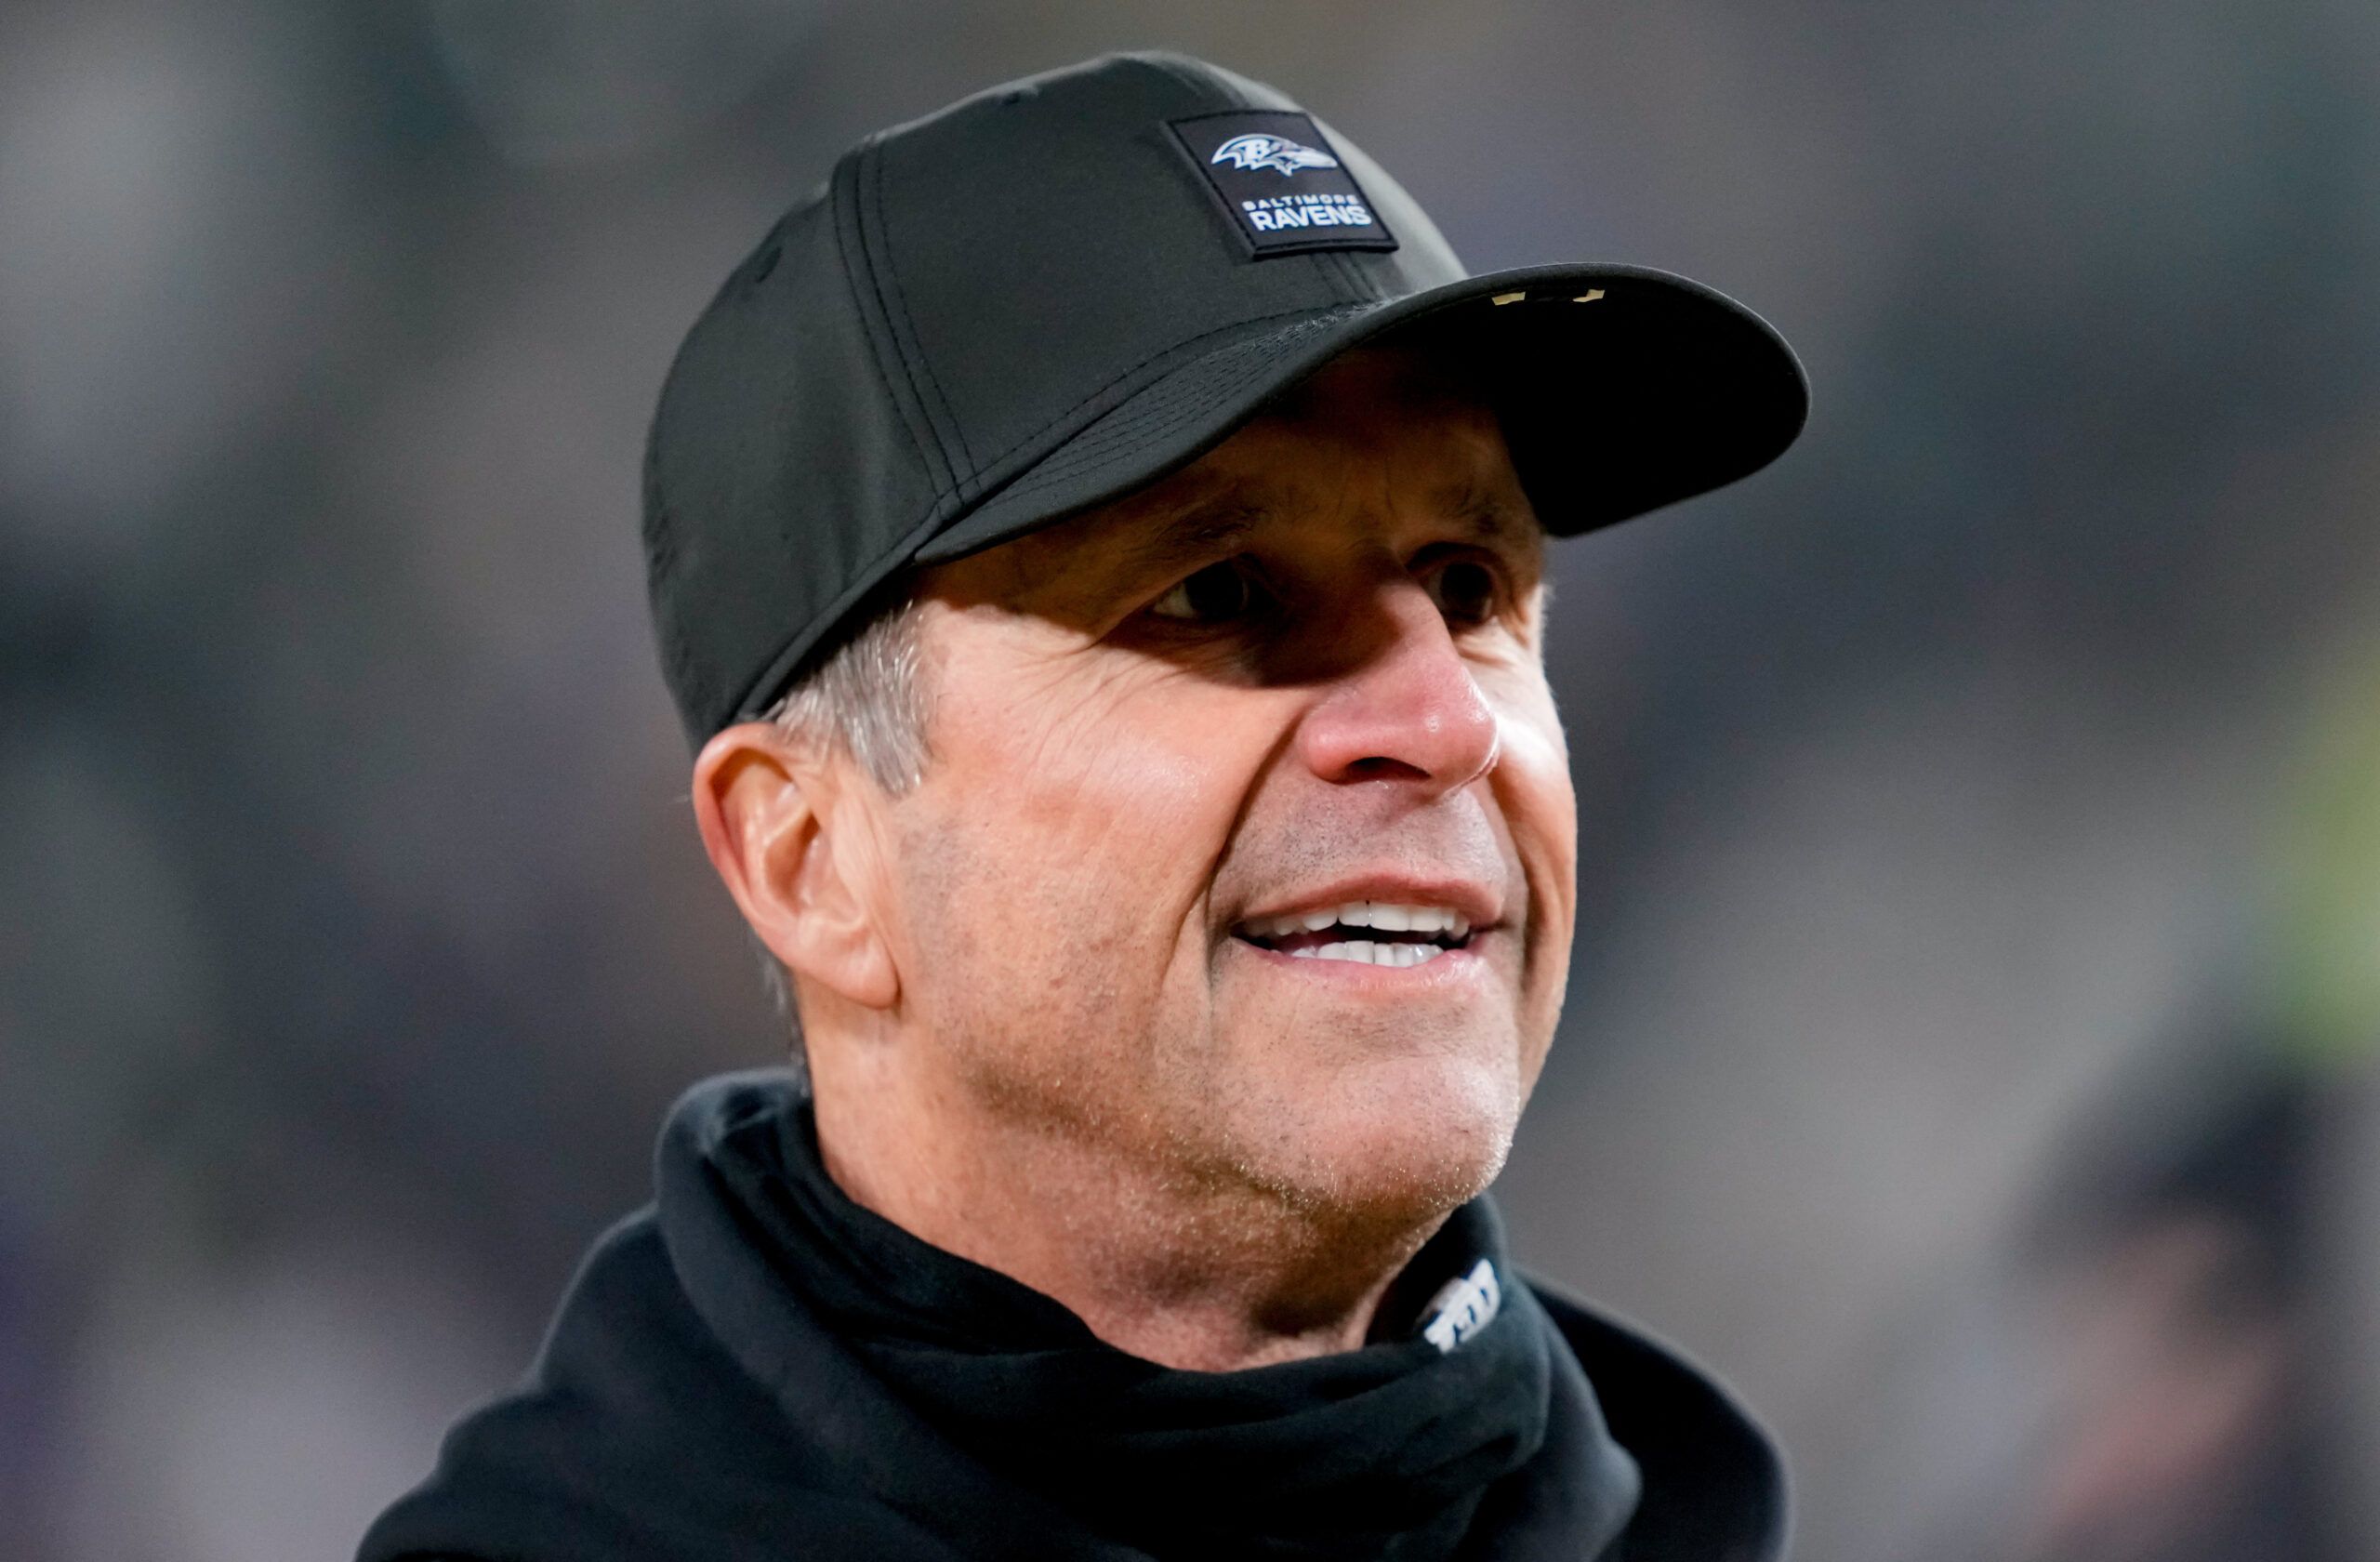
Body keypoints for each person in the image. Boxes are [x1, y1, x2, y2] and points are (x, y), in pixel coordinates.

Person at [360, 50, 1808, 1562]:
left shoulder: (1688, 1516)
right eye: (1214, 592)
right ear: (812, 862)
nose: (1443, 721)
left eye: (1472, 584)